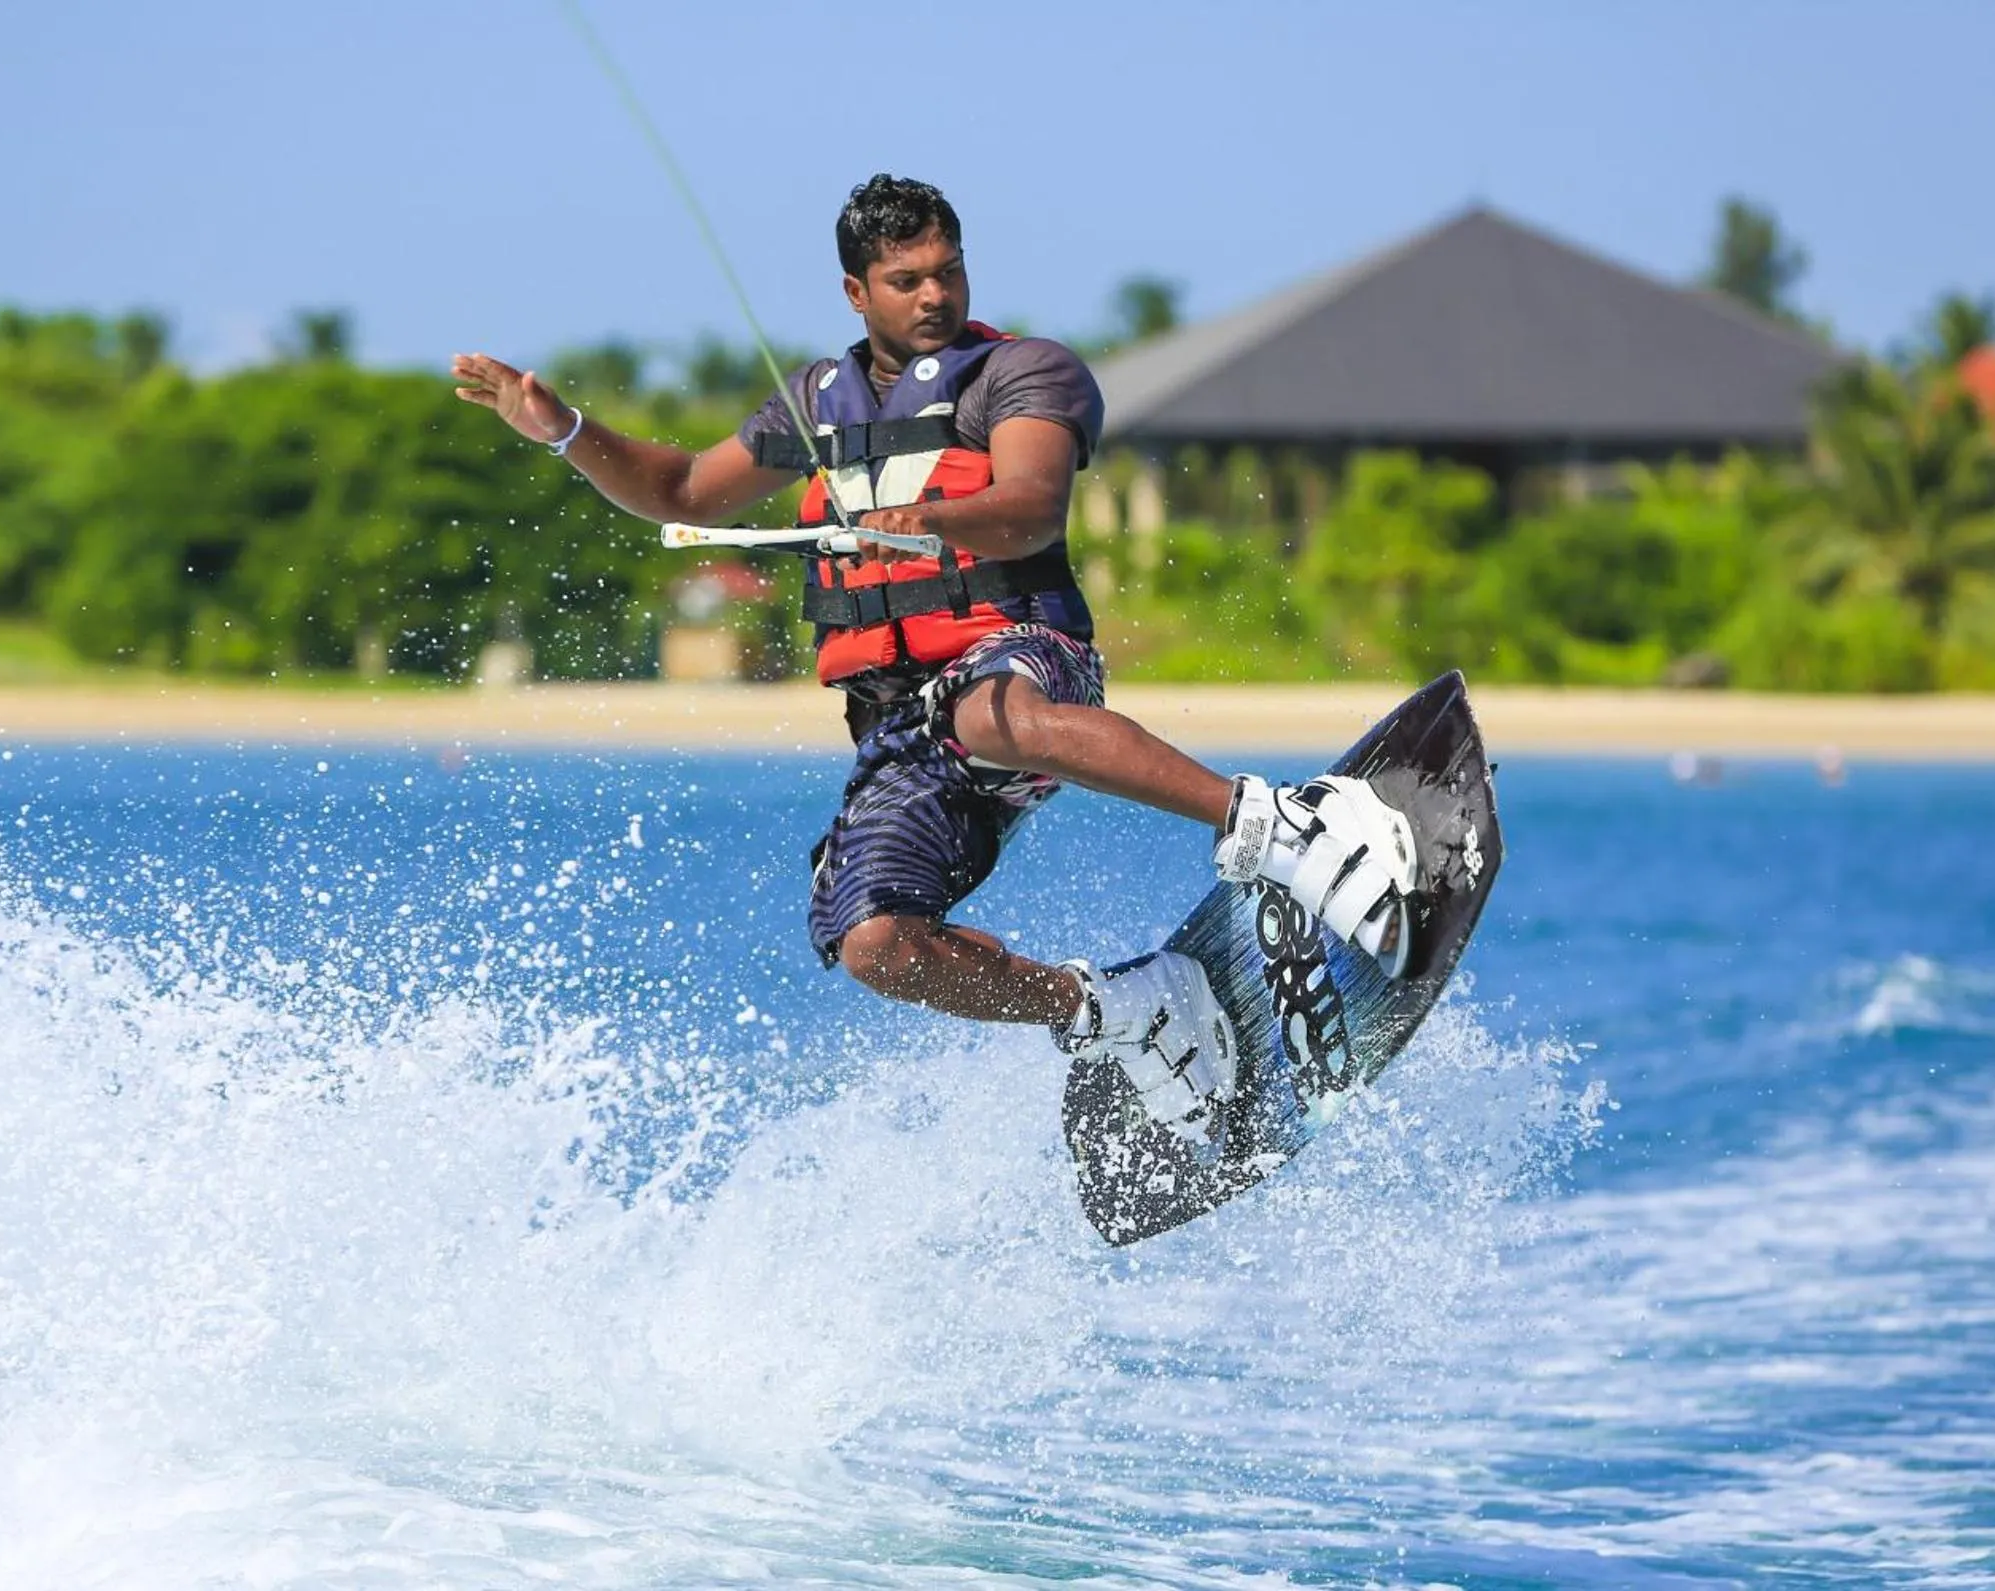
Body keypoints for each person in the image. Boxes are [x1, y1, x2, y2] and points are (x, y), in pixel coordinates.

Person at [453, 175, 1415, 1141]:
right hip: (901, 728)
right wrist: (568, 433)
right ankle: (1117, 1014)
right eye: (906, 279)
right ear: (855, 292)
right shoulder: (816, 403)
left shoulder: (1024, 373)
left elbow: (1032, 502)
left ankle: (1283, 827)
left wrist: (930, 519)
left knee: (985, 708)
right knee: (875, 943)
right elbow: (686, 492)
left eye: (947, 272)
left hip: (1029, 661)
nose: (934, 296)